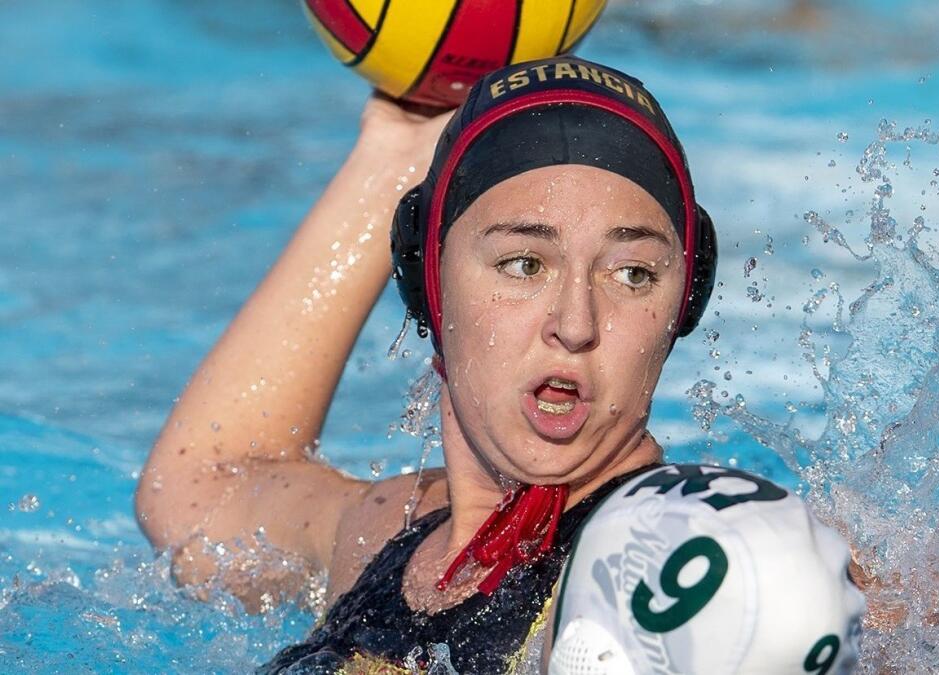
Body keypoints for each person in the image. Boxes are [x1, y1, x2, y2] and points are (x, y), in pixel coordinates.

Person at [136, 56, 862, 674]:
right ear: (429, 280)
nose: (575, 323)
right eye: (523, 263)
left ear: (685, 300)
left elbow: (832, 600)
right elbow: (199, 484)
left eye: (633, 273)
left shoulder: (687, 558)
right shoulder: (391, 529)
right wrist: (391, 154)